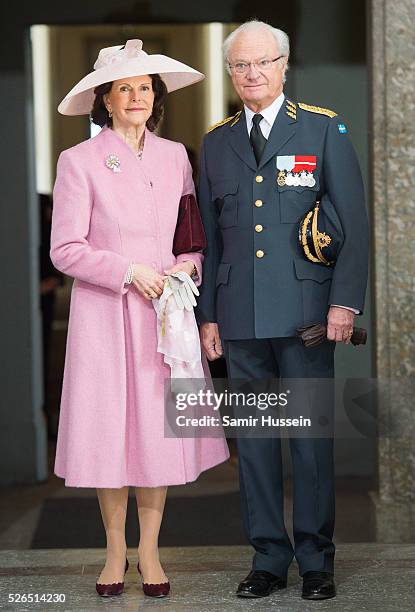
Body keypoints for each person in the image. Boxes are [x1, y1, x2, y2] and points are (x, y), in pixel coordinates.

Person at [196, 20, 369, 601]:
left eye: (262, 62)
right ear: (231, 72)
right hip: (239, 317)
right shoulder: (216, 142)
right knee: (256, 443)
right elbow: (214, 240)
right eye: (240, 65)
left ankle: (316, 560)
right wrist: (208, 316)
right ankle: (268, 558)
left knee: (309, 442)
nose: (252, 74)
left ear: (284, 64)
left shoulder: (322, 130)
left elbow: (355, 224)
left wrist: (344, 301)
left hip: (307, 315)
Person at [51, 39, 229, 599]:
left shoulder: (176, 154)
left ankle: (150, 552)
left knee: (155, 432)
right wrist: (128, 270)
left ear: (156, 98)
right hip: (107, 315)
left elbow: (190, 235)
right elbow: (65, 249)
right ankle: (112, 553)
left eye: (145, 87)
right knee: (110, 433)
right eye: (124, 88)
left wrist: (185, 268)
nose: (136, 96)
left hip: (165, 316)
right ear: (104, 100)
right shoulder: (78, 161)